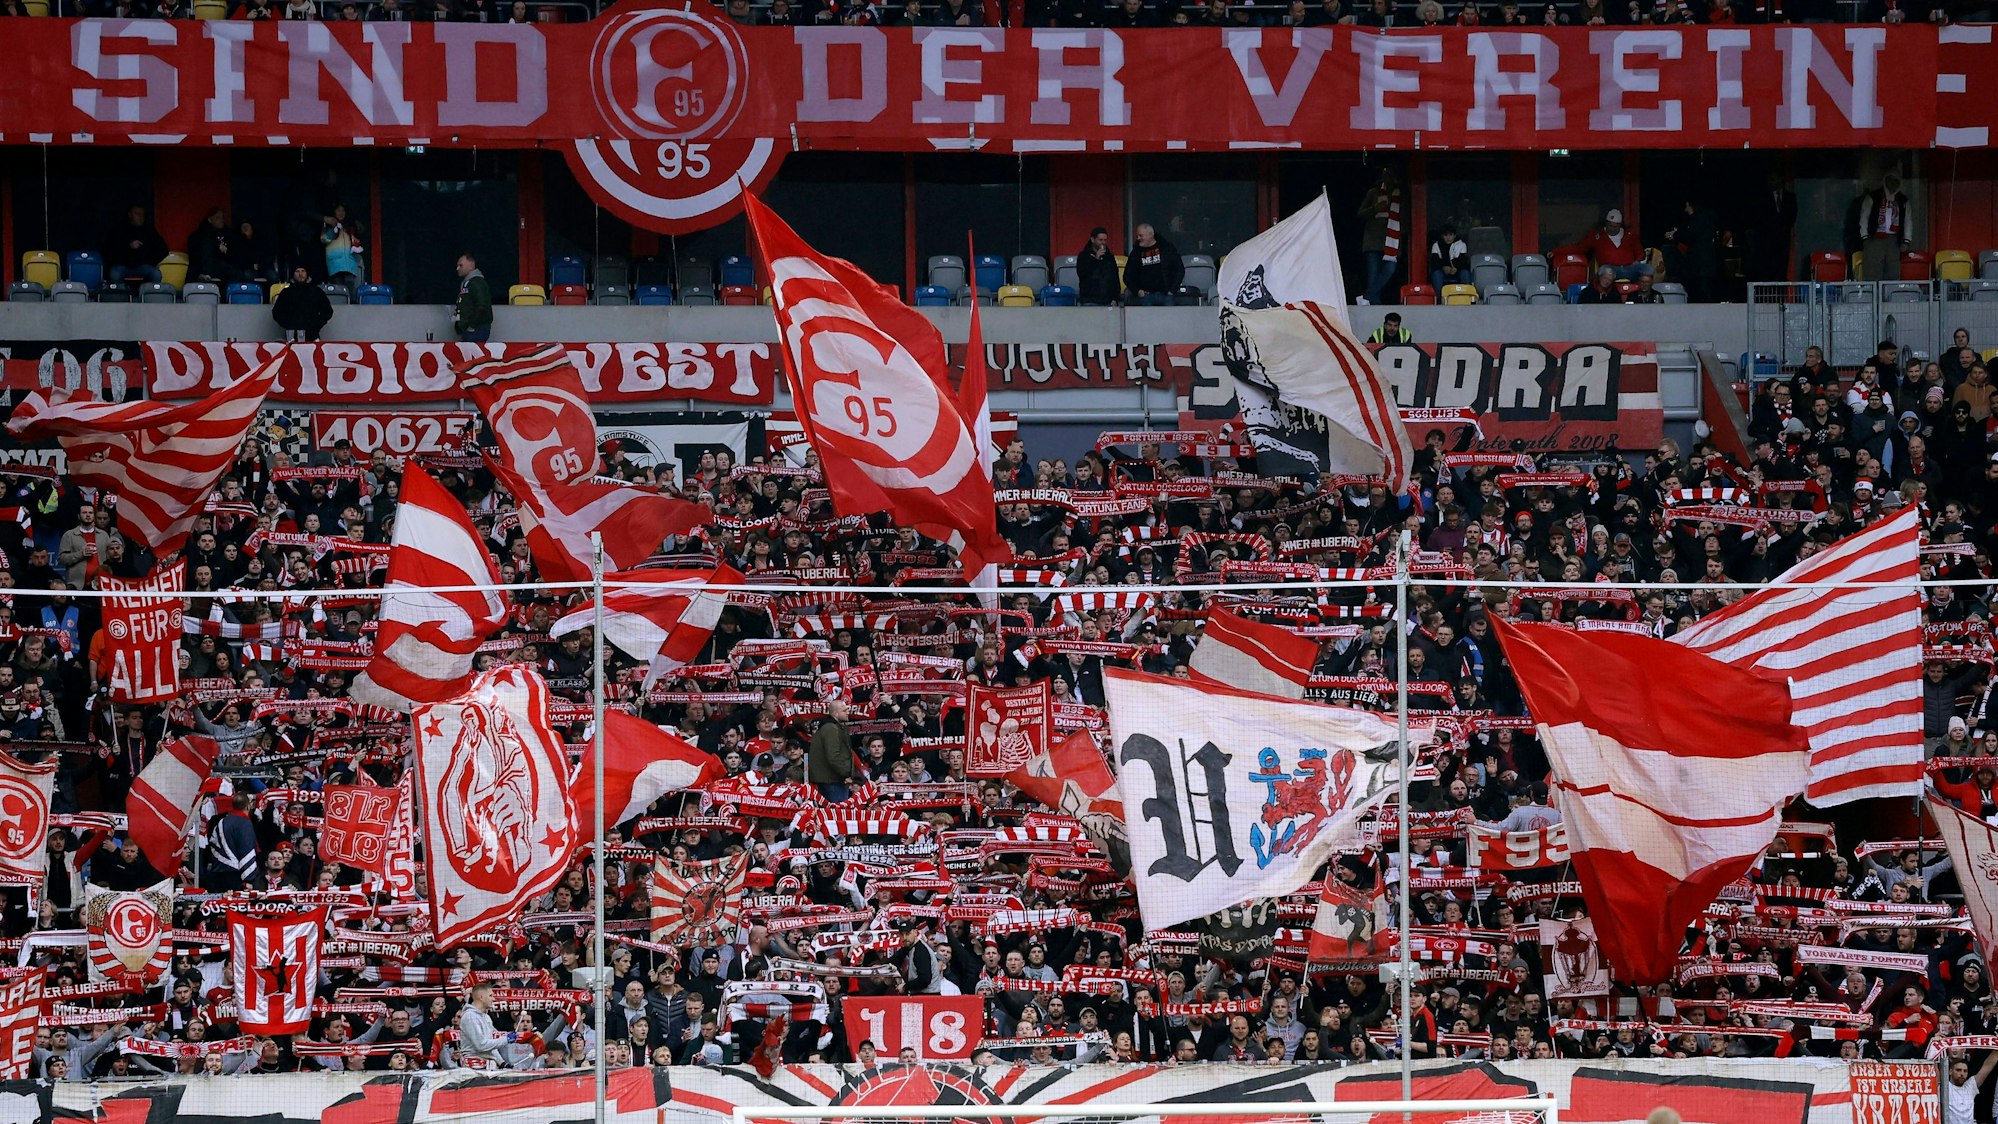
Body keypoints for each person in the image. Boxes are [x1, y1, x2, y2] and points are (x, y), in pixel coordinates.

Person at [1357, 167, 1401, 304]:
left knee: (1389, 270)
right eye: (1385, 176)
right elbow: (1360, 213)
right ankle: (1375, 308)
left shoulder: (1399, 195)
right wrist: (1375, 208)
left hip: (1392, 241)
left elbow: (1405, 217)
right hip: (1373, 241)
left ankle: (1366, 297)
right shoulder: (1373, 193)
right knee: (1373, 277)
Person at [1661, 199, 1717, 302]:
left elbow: (1690, 235)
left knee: (1702, 291)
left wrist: (1675, 234)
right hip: (1703, 264)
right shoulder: (1705, 218)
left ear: (1688, 204)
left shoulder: (1698, 220)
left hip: (1701, 264)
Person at [1858, 174, 1911, 282]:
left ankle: (1890, 296)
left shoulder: (1903, 200)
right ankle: (1872, 296)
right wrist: (1865, 236)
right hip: (1874, 238)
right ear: (1885, 181)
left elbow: (1907, 221)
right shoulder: (1873, 196)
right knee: (1872, 271)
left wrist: (1906, 240)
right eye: (1890, 181)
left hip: (1894, 240)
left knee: (1893, 271)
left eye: (1895, 181)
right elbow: (1864, 216)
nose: (1892, 184)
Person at [101, 204, 167, 290]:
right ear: (130, 215)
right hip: (122, 266)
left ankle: (149, 298)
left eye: (142, 214)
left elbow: (163, 250)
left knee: (156, 273)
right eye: (137, 214)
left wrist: (149, 261)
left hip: (142, 266)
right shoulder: (119, 229)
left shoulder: (149, 230)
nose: (140, 217)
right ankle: (119, 299)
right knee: (114, 274)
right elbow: (109, 250)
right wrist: (128, 247)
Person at [1578, 208, 1649, 282]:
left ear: (1620, 225)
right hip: (1610, 269)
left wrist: (1637, 261)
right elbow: (1580, 248)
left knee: (1648, 269)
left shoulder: (1630, 235)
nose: (1612, 229)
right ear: (1606, 223)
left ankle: (1641, 292)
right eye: (1610, 226)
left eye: (1615, 227)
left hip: (1629, 268)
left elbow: (1640, 252)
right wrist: (1565, 251)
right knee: (1604, 270)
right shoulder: (1597, 235)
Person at [1121, 223, 1183, 306]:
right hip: (1145, 296)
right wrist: (1138, 291)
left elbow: (1180, 269)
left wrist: (1172, 290)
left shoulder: (1166, 248)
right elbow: (1127, 276)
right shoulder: (1136, 253)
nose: (1138, 238)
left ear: (1150, 235)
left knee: (1169, 318)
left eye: (1141, 235)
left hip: (1166, 295)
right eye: (1137, 236)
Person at [808, 697, 855, 802]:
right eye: (844, 710)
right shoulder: (831, 728)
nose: (848, 712)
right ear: (835, 713)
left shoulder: (828, 727)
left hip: (829, 779)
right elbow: (833, 756)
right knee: (837, 814)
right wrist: (846, 774)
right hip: (833, 781)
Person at [272, 266, 334, 342]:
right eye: (297, 271)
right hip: (291, 337)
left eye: (303, 271)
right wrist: (289, 325)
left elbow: (327, 311)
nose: (300, 274)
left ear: (307, 273)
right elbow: (276, 312)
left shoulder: (316, 292)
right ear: (293, 274)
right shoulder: (286, 293)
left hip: (312, 336)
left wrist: (315, 325)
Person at [321, 205, 362, 296]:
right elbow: (324, 239)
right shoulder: (329, 226)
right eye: (338, 210)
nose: (341, 213)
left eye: (343, 210)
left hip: (349, 263)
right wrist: (334, 231)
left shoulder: (349, 227)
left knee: (350, 286)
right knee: (338, 288)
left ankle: (352, 306)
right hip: (335, 263)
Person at [454, 253, 494, 342]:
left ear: (471, 266)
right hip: (470, 329)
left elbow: (482, 306)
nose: (458, 269)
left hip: (476, 329)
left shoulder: (477, 283)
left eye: (461, 265)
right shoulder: (467, 283)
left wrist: (471, 326)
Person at [1075, 227, 1120, 306]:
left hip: (1108, 301)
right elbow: (1082, 274)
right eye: (1100, 240)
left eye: (1105, 240)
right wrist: (1096, 260)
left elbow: (1115, 278)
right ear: (1093, 240)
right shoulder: (1084, 256)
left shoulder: (1109, 257)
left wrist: (1115, 298)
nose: (1103, 243)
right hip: (1089, 300)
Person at [1429, 224, 1469, 293]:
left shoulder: (1461, 245)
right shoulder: (1436, 246)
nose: (1448, 237)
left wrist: (1456, 268)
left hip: (1457, 271)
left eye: (1450, 235)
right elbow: (1434, 262)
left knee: (1465, 273)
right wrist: (1443, 267)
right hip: (1442, 272)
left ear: (1454, 235)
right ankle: (1439, 300)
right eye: (1445, 235)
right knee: (1436, 274)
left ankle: (1467, 296)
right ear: (1442, 236)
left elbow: (1463, 261)